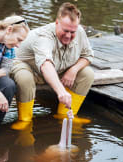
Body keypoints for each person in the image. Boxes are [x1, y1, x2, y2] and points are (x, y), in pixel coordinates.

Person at [10, 2, 94, 130]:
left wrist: (73, 70)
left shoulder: (80, 31)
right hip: (29, 68)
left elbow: (88, 56)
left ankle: (64, 115)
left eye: (72, 32)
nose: (68, 35)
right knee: (24, 78)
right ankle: (25, 120)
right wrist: (61, 91)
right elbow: (45, 64)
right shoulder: (43, 36)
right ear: (57, 23)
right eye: (65, 31)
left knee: (87, 74)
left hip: (57, 70)